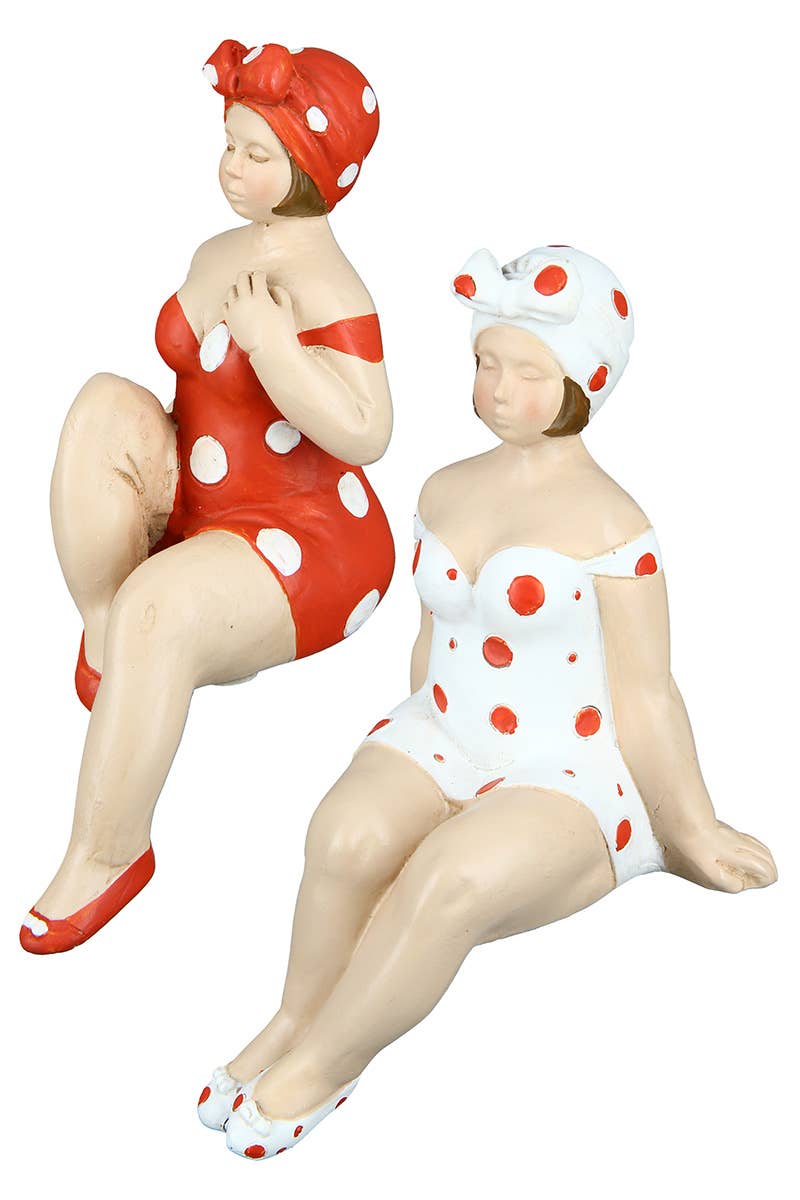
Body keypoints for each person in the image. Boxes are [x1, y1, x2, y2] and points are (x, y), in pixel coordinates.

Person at [196, 244, 777, 1160]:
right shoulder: (443, 489)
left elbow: (649, 693)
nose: (499, 390)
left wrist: (694, 828)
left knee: (446, 880)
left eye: (529, 373)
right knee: (342, 835)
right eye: (486, 363)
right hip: (447, 727)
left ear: (583, 382)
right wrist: (406, 771)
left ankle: (327, 1061)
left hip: (570, 767)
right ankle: (296, 1015)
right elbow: (429, 643)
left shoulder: (615, 527)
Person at [20, 40, 394, 955]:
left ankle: (110, 851)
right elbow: (181, 357)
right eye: (229, 144)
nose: (232, 167)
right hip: (203, 491)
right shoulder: (221, 249)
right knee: (100, 406)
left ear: (312, 170)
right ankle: (108, 628)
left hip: (302, 535)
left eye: (257, 153)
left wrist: (274, 345)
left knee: (162, 605)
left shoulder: (332, 289)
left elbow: (367, 429)